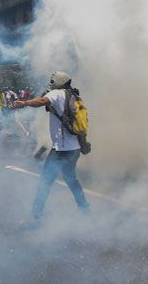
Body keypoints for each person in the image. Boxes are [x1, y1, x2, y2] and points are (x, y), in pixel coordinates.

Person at [12, 71, 90, 226]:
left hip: (61, 150)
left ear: (57, 81)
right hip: (74, 148)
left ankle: (35, 217)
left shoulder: (57, 93)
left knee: (45, 182)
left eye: (52, 81)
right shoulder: (73, 95)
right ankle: (85, 209)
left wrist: (24, 103)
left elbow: (42, 100)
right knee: (71, 179)